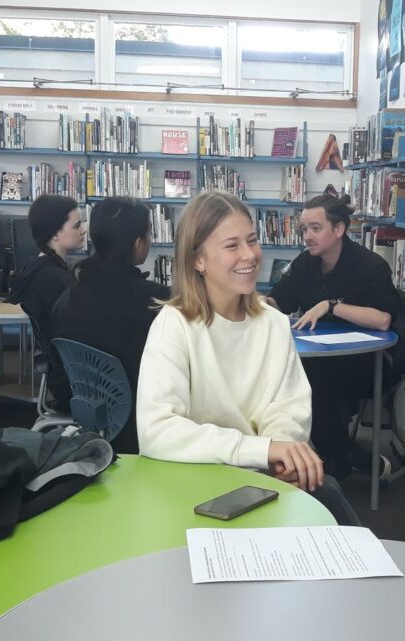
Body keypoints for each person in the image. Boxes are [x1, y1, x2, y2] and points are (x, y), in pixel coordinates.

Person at [137, 191, 358, 525]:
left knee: (329, 500)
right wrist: (262, 451)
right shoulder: (174, 325)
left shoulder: (273, 324)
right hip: (192, 481)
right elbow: (157, 430)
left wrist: (282, 455)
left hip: (264, 479)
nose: (249, 255)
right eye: (231, 245)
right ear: (198, 259)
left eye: (252, 240)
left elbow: (288, 408)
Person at [266, 193, 400, 479]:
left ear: (338, 229)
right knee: (294, 375)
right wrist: (252, 302)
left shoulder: (370, 266)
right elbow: (280, 301)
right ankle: (343, 457)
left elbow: (383, 319)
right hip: (319, 360)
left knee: (309, 383)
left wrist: (332, 306)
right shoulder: (305, 263)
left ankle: (336, 457)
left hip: (364, 363)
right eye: (304, 229)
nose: (307, 237)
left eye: (316, 228)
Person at [52, 197, 170, 454]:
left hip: (90, 416)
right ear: (138, 243)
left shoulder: (68, 295)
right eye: (148, 235)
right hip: (145, 421)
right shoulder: (157, 301)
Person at [6, 194, 85, 411]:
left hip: (63, 372)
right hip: (75, 381)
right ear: (56, 234)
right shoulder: (51, 278)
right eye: (77, 225)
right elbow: (75, 333)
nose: (83, 230)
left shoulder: (40, 267)